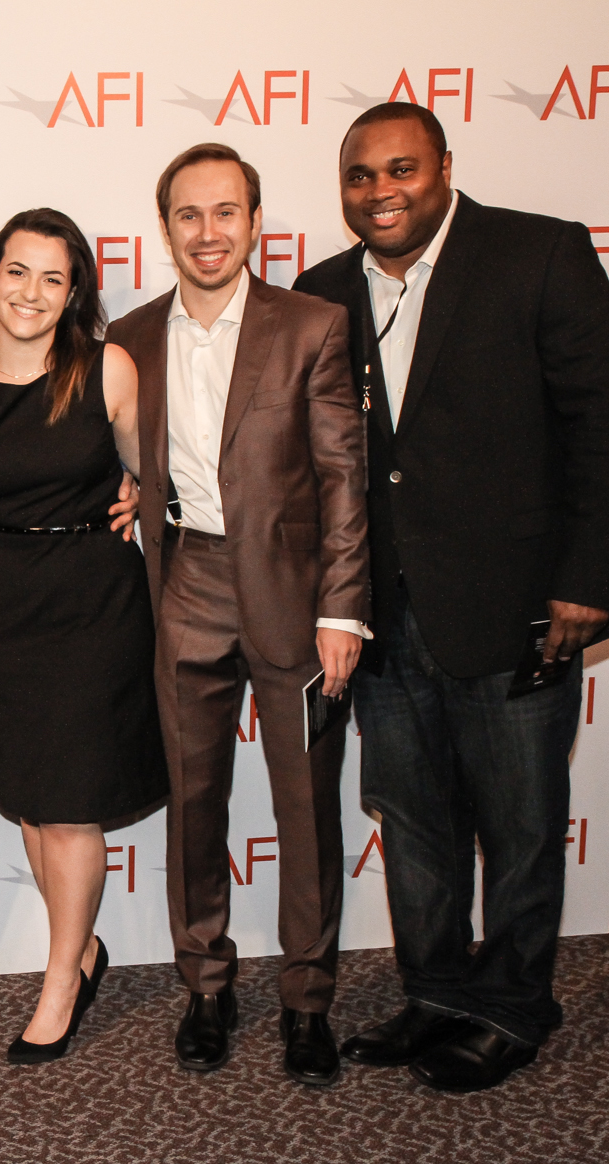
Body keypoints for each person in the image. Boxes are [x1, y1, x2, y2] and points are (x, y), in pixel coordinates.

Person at [295, 103, 609, 1092]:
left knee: (517, 823)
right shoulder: (321, 294)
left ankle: (513, 1007)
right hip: (378, 618)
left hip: (517, 605)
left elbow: (601, 426)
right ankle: (435, 995)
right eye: (359, 175)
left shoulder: (540, 256)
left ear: (441, 168)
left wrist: (586, 579)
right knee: (413, 820)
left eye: (401, 170)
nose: (380, 191)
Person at [105, 143, 370, 1086]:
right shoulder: (129, 336)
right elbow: (59, 423)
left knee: (305, 810)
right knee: (193, 802)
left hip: (296, 600)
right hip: (184, 585)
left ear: (255, 222)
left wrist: (344, 607)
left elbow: (343, 477)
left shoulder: (312, 325)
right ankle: (205, 984)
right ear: (165, 225)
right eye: (188, 214)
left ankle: (308, 1002)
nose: (207, 233)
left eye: (226, 213)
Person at [0, 209, 168, 1065]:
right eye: (17, 272)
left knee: (68, 809)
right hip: (7, 609)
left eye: (54, 277)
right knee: (35, 803)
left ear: (75, 292)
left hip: (94, 608)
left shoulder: (105, 368)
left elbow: (152, 470)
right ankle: (87, 951)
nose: (31, 292)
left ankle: (61, 981)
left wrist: (145, 494)